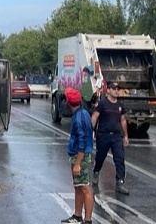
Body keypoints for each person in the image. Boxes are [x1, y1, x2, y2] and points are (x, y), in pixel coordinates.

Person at [61, 87, 95, 224]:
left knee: (85, 187)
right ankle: (77, 215)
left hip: (80, 156)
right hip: (79, 155)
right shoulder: (83, 113)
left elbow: (82, 141)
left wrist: (77, 163)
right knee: (79, 186)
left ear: (68, 103)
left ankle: (87, 220)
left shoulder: (79, 118)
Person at [91, 81, 130, 195]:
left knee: (119, 159)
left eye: (118, 89)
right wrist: (90, 131)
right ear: (108, 90)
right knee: (100, 157)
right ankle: (96, 172)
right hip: (103, 135)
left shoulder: (120, 105)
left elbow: (122, 120)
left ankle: (120, 182)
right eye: (113, 88)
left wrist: (125, 135)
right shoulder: (102, 103)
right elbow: (94, 117)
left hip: (116, 136)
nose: (116, 91)